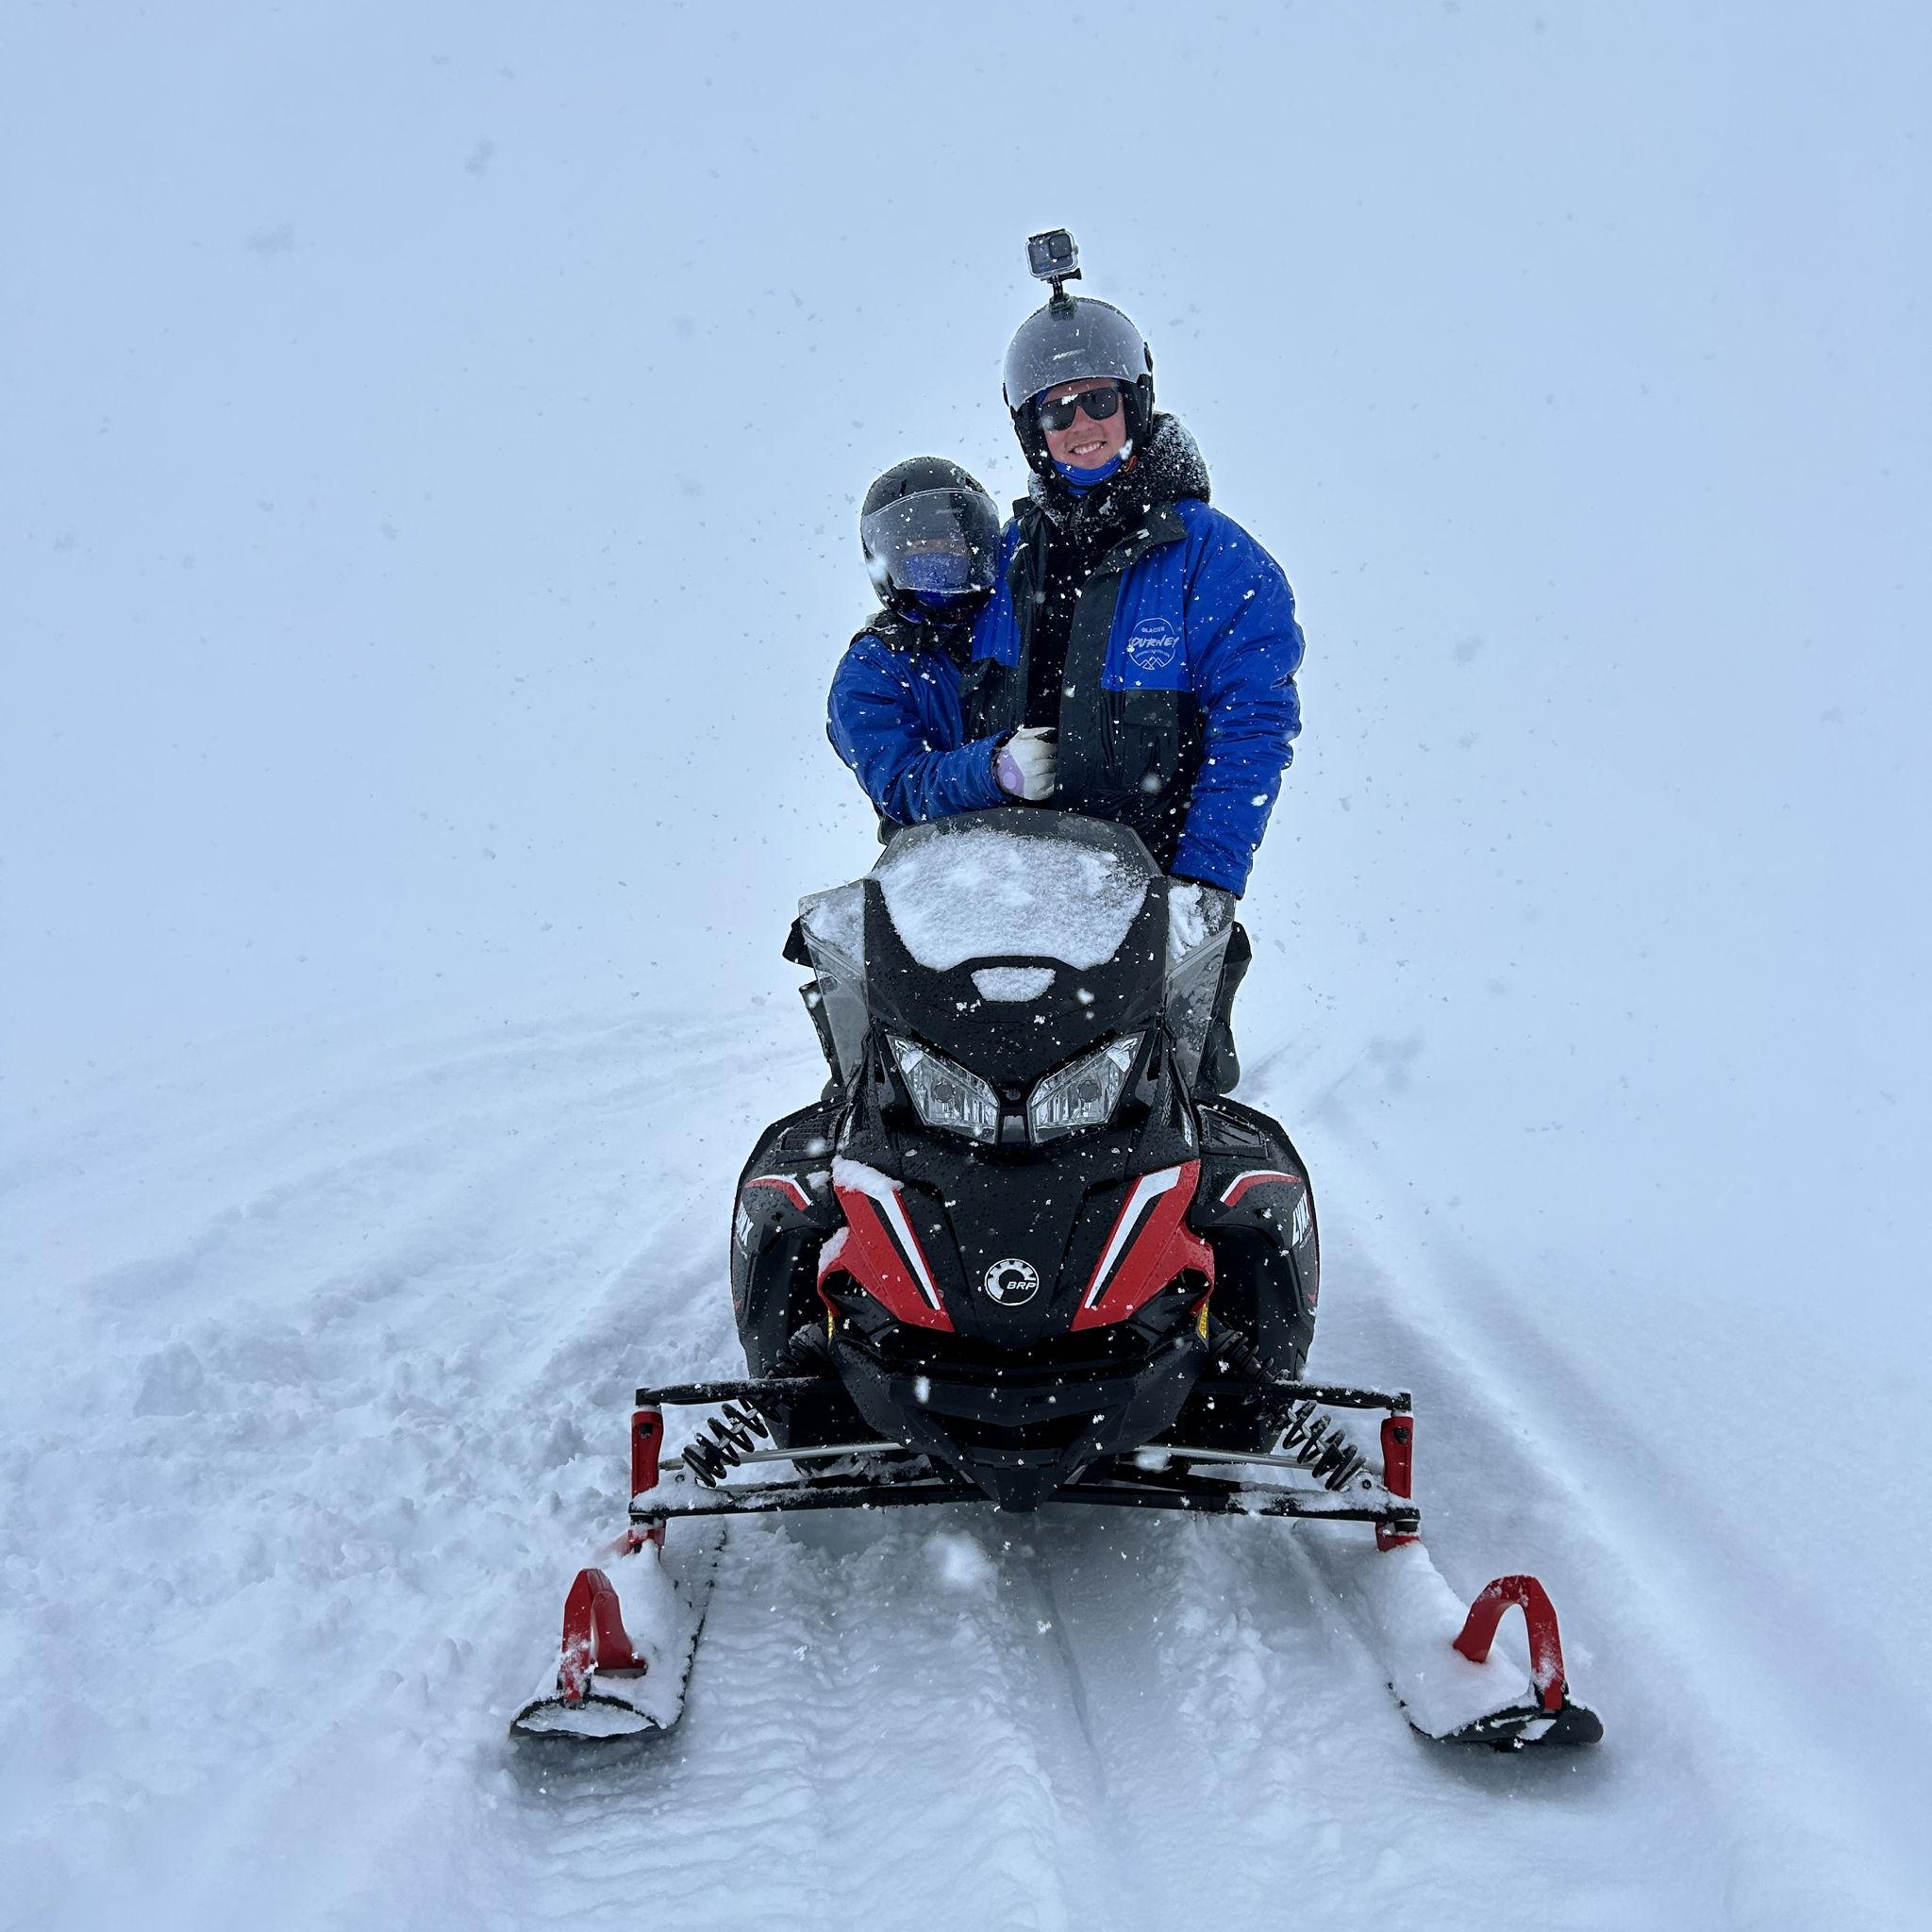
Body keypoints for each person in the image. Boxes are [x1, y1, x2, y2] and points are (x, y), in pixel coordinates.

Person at [826, 259, 1304, 1092]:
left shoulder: (1219, 562)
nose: (1081, 423)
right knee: (964, 1103)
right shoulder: (1010, 558)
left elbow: (1253, 734)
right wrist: (964, 772)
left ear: (1136, 401)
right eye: (1056, 409)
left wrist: (1203, 888)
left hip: (1150, 902)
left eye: (1098, 400)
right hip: (1008, 899)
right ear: (1030, 430)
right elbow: (931, 655)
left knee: (1164, 1110)